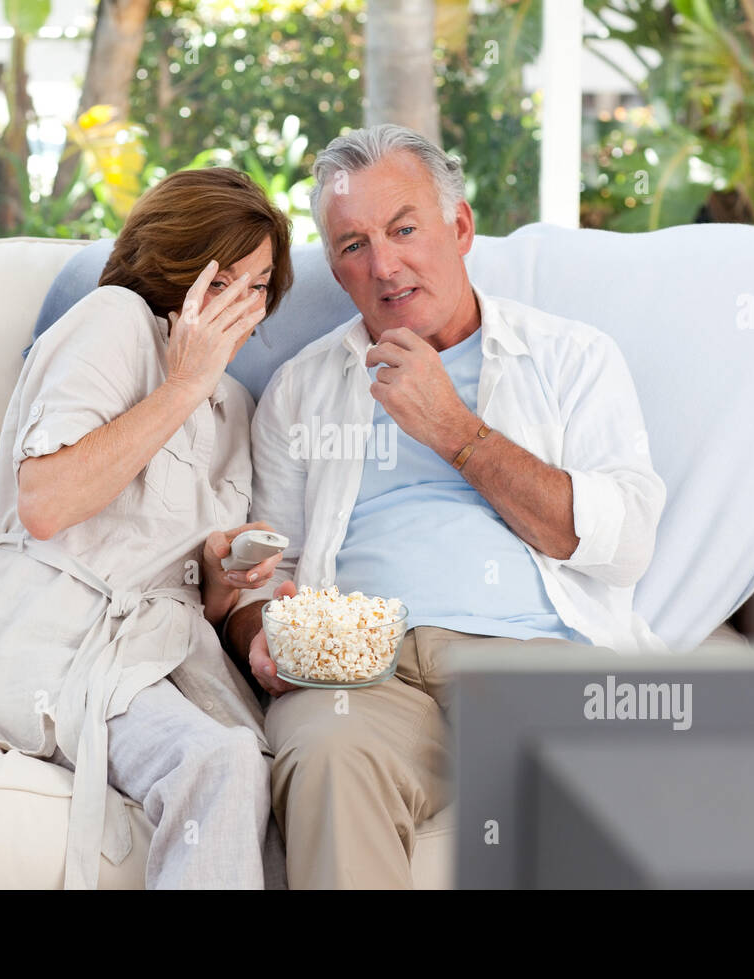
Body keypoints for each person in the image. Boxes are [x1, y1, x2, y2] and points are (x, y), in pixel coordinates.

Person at [222, 124, 668, 888]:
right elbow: (265, 570)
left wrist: (457, 433)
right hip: (363, 676)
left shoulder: (572, 358)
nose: (384, 265)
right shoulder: (300, 388)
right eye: (353, 244)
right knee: (323, 753)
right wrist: (262, 630)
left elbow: (625, 542)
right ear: (335, 265)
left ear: (460, 228)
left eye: (404, 229)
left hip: (532, 660)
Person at [0, 167, 294, 890]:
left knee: (267, 765)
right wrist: (183, 385)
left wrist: (222, 571)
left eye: (258, 287)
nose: (240, 309)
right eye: (221, 283)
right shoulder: (114, 321)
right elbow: (47, 503)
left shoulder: (237, 406)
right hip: (56, 640)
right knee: (218, 759)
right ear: (174, 270)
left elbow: (202, 599)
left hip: (164, 653)